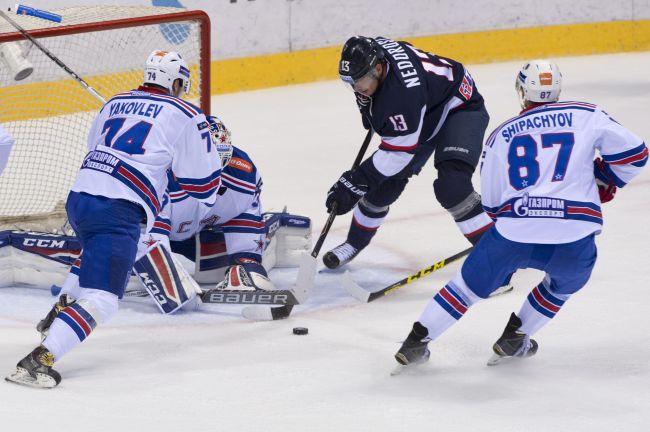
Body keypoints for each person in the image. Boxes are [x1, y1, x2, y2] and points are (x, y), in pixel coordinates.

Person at [394, 60, 648, 370]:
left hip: (515, 233)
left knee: (465, 288)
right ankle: (517, 337)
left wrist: (510, 225)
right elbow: (637, 154)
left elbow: (491, 201)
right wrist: (606, 179)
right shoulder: (586, 114)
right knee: (561, 286)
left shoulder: (501, 134)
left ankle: (416, 342)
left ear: (522, 91)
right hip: (575, 235)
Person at [5, 50, 222, 388]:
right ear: (176, 82)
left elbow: (98, 148)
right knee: (104, 300)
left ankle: (64, 307)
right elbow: (205, 188)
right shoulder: (186, 113)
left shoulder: (114, 102)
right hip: (118, 208)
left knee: (93, 255)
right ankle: (40, 360)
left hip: (80, 199)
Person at [323, 36, 495, 269]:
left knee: (453, 188)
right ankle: (353, 243)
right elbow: (405, 45)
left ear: (378, 68)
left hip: (459, 106)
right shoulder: (374, 55)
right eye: (350, 83)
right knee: (383, 186)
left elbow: (398, 154)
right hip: (425, 107)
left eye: (360, 81)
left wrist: (356, 182)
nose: (356, 89)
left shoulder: (402, 96)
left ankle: (496, 264)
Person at [146, 115, 271, 291]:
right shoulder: (161, 174)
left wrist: (246, 257)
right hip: (155, 231)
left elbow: (244, 210)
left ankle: (245, 260)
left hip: (195, 230)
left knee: (223, 260)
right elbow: (150, 229)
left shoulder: (243, 173)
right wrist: (165, 273)